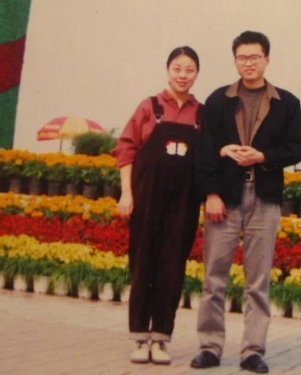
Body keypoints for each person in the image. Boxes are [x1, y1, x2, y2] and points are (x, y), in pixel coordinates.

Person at [190, 31, 301, 374]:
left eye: (255, 57)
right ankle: (210, 347)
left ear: (267, 59)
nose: (249, 63)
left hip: (264, 197)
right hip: (224, 198)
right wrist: (211, 194)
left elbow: (296, 148)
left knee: (258, 280)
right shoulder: (218, 100)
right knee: (214, 277)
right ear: (235, 60)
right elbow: (204, 150)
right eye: (242, 57)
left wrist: (263, 156)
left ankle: (253, 351)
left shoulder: (287, 103)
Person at [114, 46, 203, 366]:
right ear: (168, 70)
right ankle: (140, 338)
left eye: (189, 69)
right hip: (147, 199)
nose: (183, 75)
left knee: (171, 269)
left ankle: (161, 339)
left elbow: (208, 159)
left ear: (197, 74)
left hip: (183, 204)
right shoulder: (149, 107)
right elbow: (125, 150)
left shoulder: (202, 114)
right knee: (143, 265)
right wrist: (127, 194)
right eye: (177, 68)